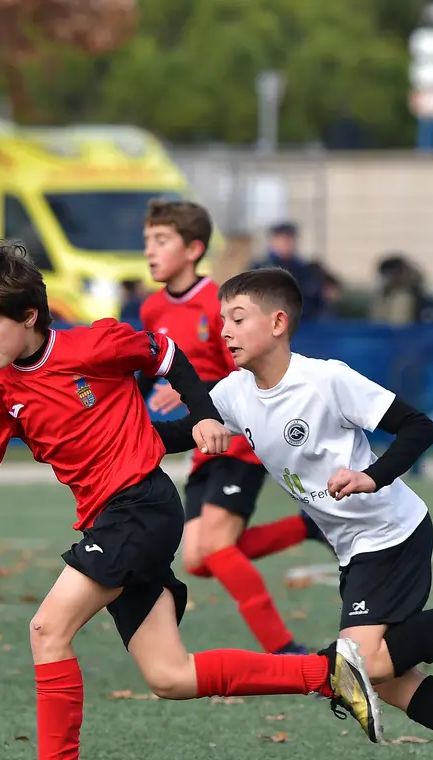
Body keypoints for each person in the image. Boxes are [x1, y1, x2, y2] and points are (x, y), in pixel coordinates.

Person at [0, 241, 373, 760]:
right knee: (170, 675)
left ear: (29, 316)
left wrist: (205, 413)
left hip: (139, 506)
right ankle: (326, 672)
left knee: (47, 629)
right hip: (112, 519)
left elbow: (168, 356)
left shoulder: (96, 342)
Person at [154, 267, 433, 760]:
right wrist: (129, 430)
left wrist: (372, 477)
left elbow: (420, 426)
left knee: (365, 664)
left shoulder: (327, 380)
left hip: (390, 533)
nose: (224, 331)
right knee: (391, 679)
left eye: (238, 318)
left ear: (278, 323)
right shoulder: (233, 393)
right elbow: (176, 433)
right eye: (222, 319)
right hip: (353, 547)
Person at [139, 199, 324, 655]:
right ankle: (307, 527)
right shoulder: (150, 310)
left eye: (161, 241)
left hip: (239, 439)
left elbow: (248, 373)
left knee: (218, 547)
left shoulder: (219, 303)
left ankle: (283, 649)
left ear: (193, 249)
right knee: (199, 560)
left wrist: (189, 391)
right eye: (147, 241)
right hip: (203, 443)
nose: (150, 251)